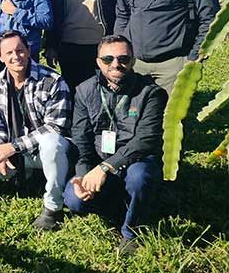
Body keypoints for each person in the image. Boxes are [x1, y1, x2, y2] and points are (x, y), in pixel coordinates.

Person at [63, 35, 167, 253]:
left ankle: (131, 231)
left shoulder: (151, 92)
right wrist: (83, 174)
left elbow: (146, 139)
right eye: (108, 59)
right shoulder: (84, 90)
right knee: (74, 200)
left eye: (123, 59)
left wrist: (106, 167)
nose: (115, 64)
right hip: (99, 162)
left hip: (137, 160)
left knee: (139, 177)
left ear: (133, 61)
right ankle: (123, 204)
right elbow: (81, 138)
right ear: (98, 61)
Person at [0, 30, 72, 231]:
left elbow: (56, 126)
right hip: (18, 148)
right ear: (0, 56)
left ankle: (52, 206)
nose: (16, 57)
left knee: (51, 143)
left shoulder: (53, 80)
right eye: (10, 52)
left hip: (48, 149)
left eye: (20, 50)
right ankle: (24, 175)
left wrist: (12, 147)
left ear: (29, 51)